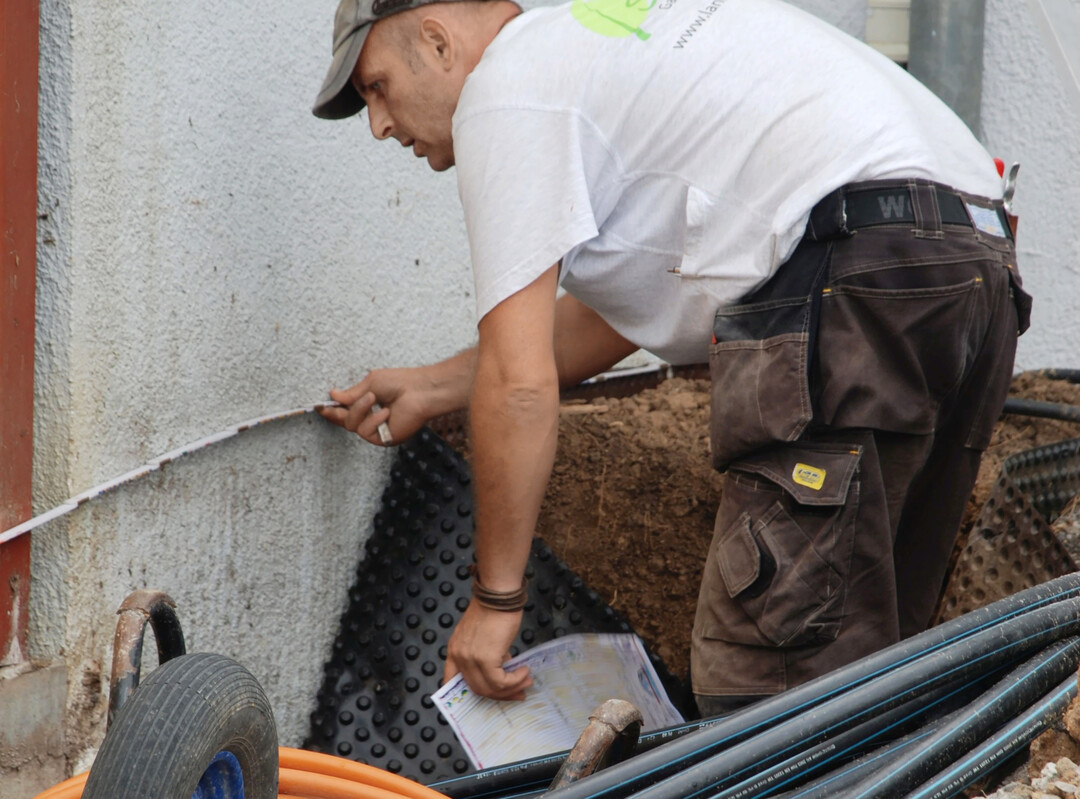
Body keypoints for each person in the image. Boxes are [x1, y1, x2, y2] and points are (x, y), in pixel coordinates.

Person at [312, 0, 1031, 715]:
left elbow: (518, 381)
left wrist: (496, 600)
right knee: (862, 670)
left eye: (376, 87)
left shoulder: (506, 88)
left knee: (763, 691)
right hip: (969, 267)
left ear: (437, 42)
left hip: (854, 275)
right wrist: (436, 387)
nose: (378, 125)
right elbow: (617, 315)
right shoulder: (596, 52)